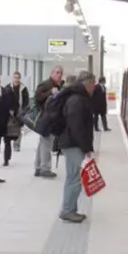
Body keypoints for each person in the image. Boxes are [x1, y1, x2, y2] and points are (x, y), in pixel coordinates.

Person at [55, 70, 97, 223]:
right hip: (73, 144)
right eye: (93, 85)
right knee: (75, 178)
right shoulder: (78, 100)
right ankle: (67, 211)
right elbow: (77, 127)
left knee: (73, 177)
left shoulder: (77, 98)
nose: (94, 88)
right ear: (88, 84)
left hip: (72, 143)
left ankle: (69, 209)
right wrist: (86, 147)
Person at [33, 65, 64, 178]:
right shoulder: (46, 84)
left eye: (60, 73)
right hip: (47, 119)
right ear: (52, 73)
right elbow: (37, 98)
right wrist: (50, 92)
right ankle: (45, 168)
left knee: (43, 143)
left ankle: (38, 167)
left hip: (50, 119)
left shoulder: (58, 86)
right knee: (46, 144)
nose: (59, 75)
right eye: (57, 72)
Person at [1, 70, 30, 165]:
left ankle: (17, 144)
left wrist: (24, 110)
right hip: (9, 112)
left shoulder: (23, 88)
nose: (16, 79)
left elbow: (26, 100)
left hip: (19, 110)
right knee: (9, 129)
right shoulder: (8, 88)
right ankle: (9, 148)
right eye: (15, 77)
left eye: (18, 77)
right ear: (12, 78)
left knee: (18, 127)